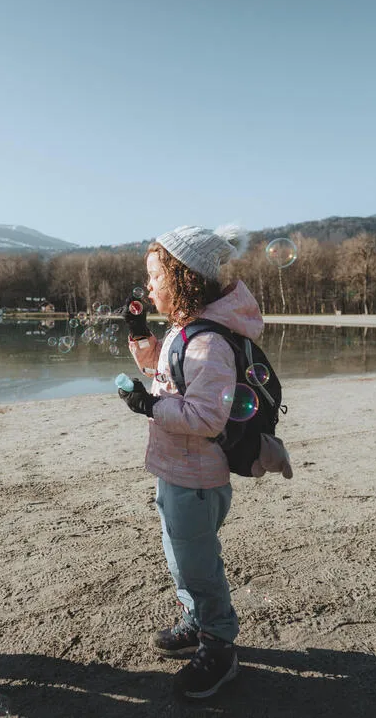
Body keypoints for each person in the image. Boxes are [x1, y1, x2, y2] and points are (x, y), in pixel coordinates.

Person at [118, 224, 266, 700]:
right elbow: (163, 372)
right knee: (180, 558)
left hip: (198, 474)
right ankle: (196, 618)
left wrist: (147, 406)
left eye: (155, 276)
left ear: (183, 278)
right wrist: (141, 334)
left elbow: (204, 417)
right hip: (177, 468)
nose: (148, 287)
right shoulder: (185, 333)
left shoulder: (208, 343)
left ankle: (219, 642)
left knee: (197, 564)